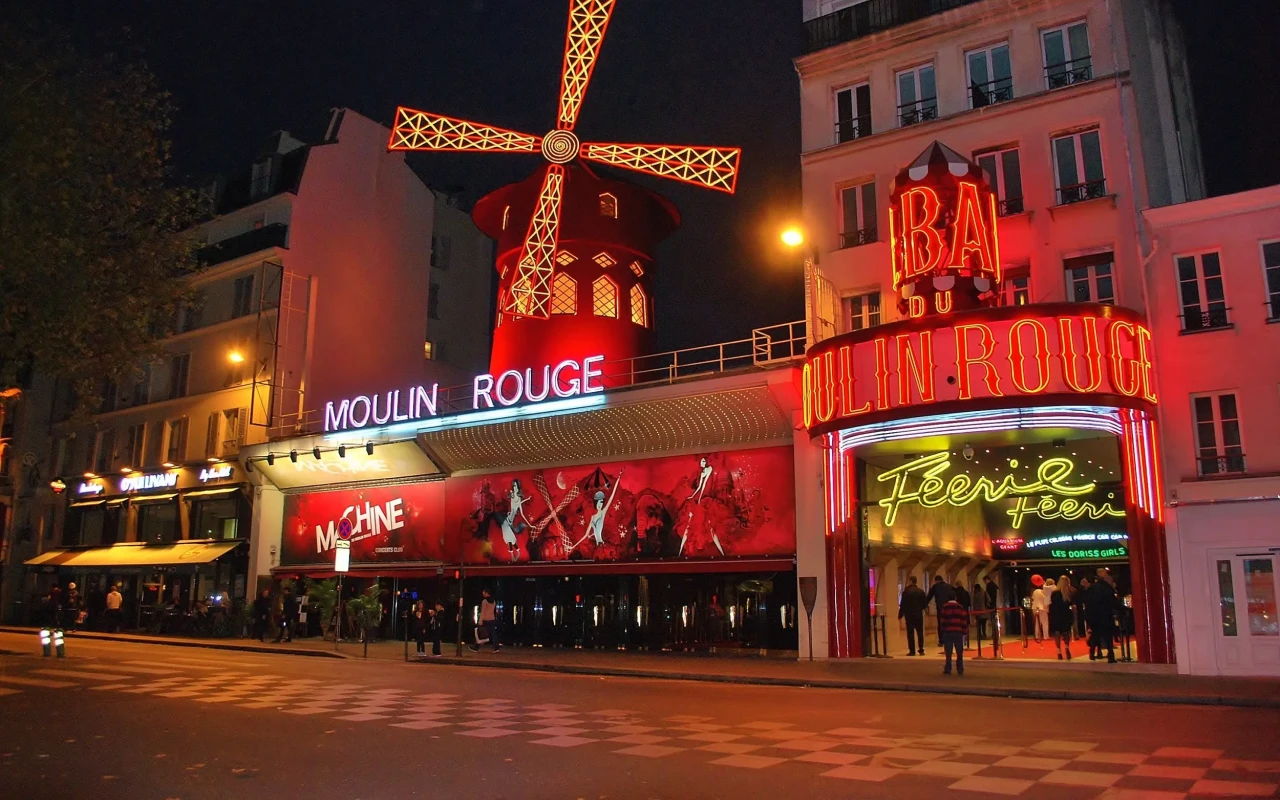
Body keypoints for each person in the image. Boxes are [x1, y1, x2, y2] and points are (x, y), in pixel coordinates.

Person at [1090, 569, 1118, 663]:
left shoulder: (1093, 587)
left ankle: (1092, 652)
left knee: (1096, 634)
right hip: (1105, 614)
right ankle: (1111, 655)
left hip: (1095, 614)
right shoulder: (1106, 588)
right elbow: (1112, 601)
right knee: (1108, 635)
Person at [938, 596, 969, 676]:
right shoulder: (960, 607)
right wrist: (965, 631)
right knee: (959, 652)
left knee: (948, 652)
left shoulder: (945, 607)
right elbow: (963, 620)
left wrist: (943, 630)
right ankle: (960, 669)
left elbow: (942, 621)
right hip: (958, 631)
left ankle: (948, 669)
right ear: (955, 598)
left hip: (948, 632)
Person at [898, 577, 928, 656]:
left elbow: (903, 604)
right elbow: (925, 604)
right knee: (920, 632)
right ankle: (921, 649)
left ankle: (912, 650)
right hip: (918, 614)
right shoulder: (921, 591)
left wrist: (900, 614)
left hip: (909, 615)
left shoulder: (906, 592)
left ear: (910, 581)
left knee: (910, 633)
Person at [924, 575, 955, 649]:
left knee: (941, 624)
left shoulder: (935, 587)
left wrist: (924, 605)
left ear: (936, 580)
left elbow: (929, 597)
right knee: (950, 623)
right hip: (950, 608)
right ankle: (950, 639)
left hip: (940, 608)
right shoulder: (950, 586)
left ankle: (942, 640)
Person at [1049, 575, 1074, 660]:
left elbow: (1052, 605)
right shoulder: (1069, 593)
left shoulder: (1055, 593)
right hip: (1065, 614)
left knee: (1057, 633)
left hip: (1056, 615)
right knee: (1066, 632)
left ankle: (1059, 651)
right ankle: (1067, 647)